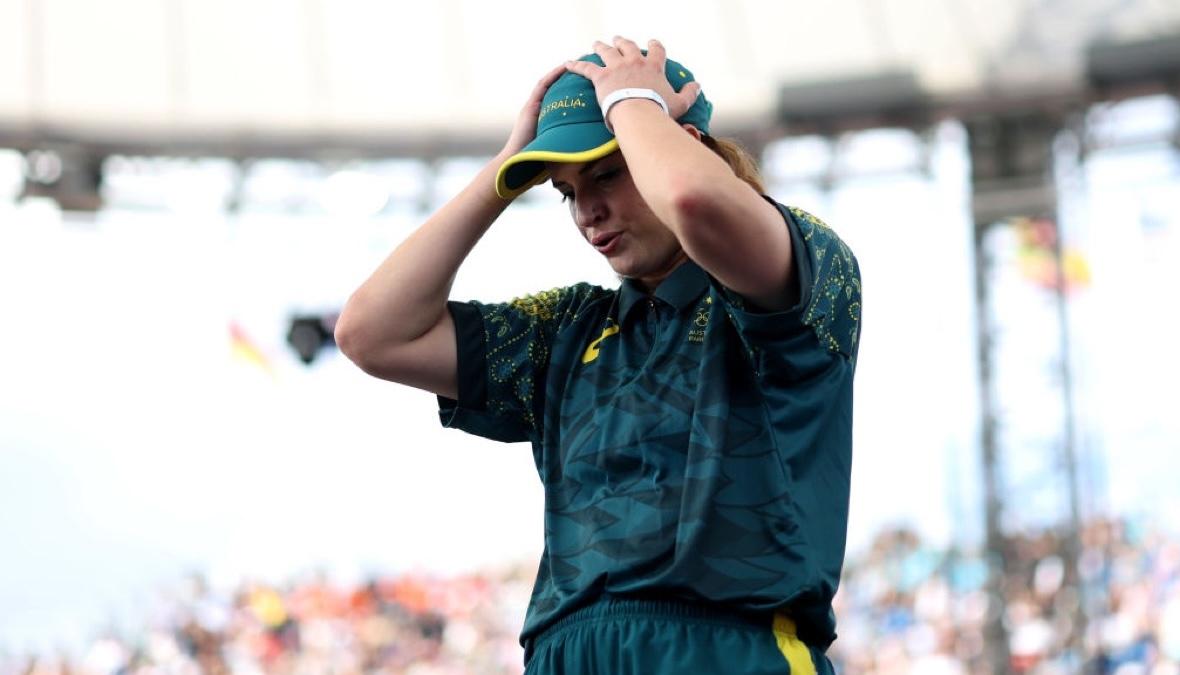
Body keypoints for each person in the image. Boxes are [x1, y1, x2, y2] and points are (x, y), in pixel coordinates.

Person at [335, 36, 862, 675]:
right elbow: (370, 332)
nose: (587, 212)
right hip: (566, 653)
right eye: (564, 190)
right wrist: (508, 166)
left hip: (727, 647)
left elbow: (697, 201)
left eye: (607, 173)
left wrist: (634, 102)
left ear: (681, 145)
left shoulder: (802, 263)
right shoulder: (567, 328)